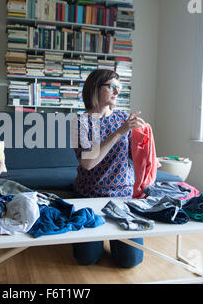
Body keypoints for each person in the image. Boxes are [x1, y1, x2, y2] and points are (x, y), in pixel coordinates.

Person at [72, 69, 146, 267]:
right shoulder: (79, 122)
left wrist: (149, 159)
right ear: (96, 88)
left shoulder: (124, 118)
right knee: (86, 258)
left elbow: (134, 155)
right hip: (90, 195)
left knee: (131, 260)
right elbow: (88, 163)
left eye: (119, 88)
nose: (117, 92)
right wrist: (119, 133)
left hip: (122, 195)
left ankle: (114, 236)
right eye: (112, 86)